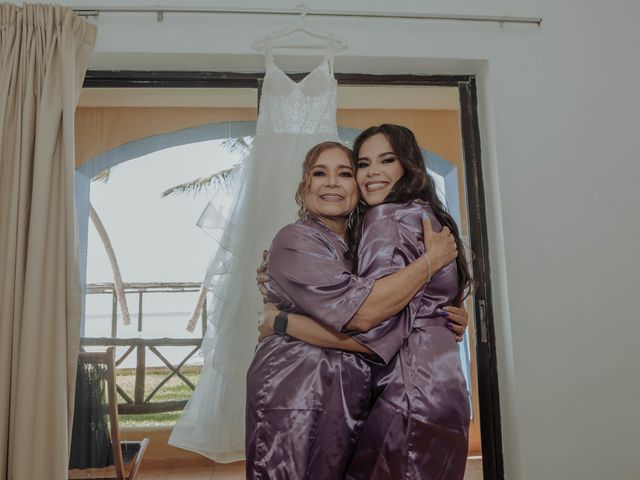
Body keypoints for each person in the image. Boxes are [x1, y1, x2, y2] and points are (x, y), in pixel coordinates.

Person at [259, 124, 473, 479]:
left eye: (345, 171)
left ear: (408, 166)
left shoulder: (384, 220)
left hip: (408, 389)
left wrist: (278, 320)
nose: (371, 172)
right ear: (304, 186)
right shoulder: (412, 216)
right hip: (310, 397)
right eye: (363, 164)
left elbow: (370, 324)